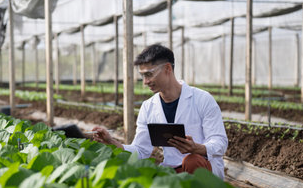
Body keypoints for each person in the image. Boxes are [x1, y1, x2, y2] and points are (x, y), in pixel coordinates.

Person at [92, 44, 228, 179]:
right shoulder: (148, 107)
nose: (145, 81)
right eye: (142, 76)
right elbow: (140, 150)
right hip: (171, 170)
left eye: (149, 74)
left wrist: (197, 148)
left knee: (191, 161)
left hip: (202, 167)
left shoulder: (202, 99)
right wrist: (112, 142)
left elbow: (220, 142)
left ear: (167, 68)